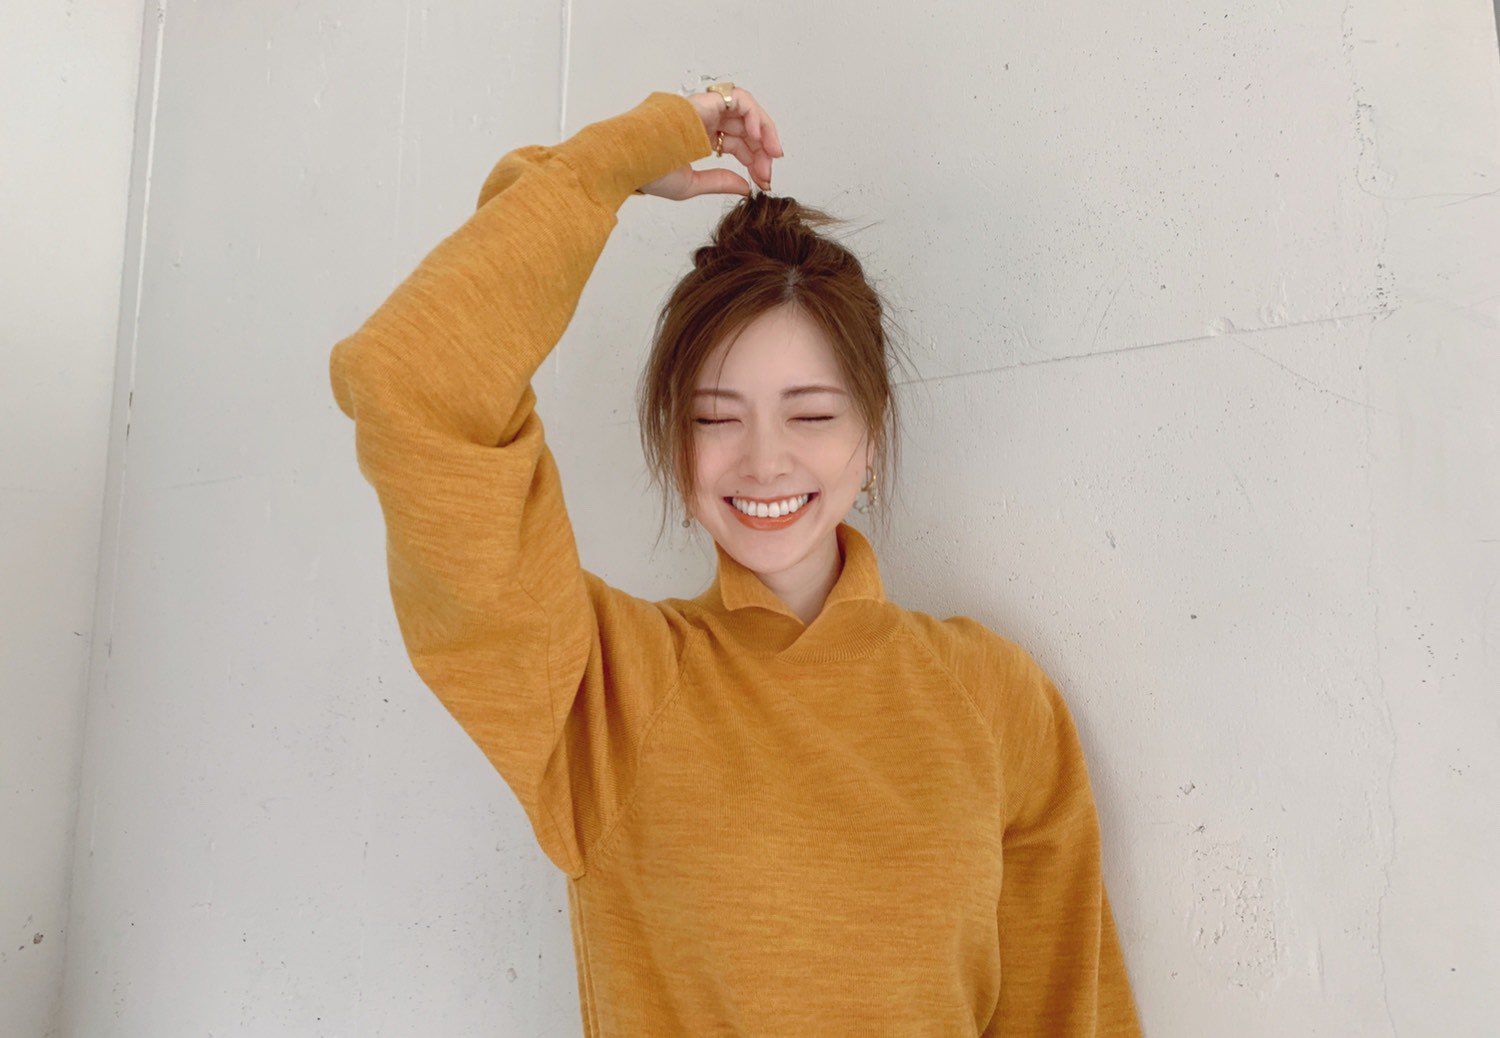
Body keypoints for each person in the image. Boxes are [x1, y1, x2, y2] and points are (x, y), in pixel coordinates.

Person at [330, 81, 1143, 1036]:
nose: (764, 460)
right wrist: (616, 162)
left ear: (871, 438)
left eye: (812, 414)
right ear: (675, 444)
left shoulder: (996, 698)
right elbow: (410, 381)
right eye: (717, 418)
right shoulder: (604, 693)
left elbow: (1069, 1015)